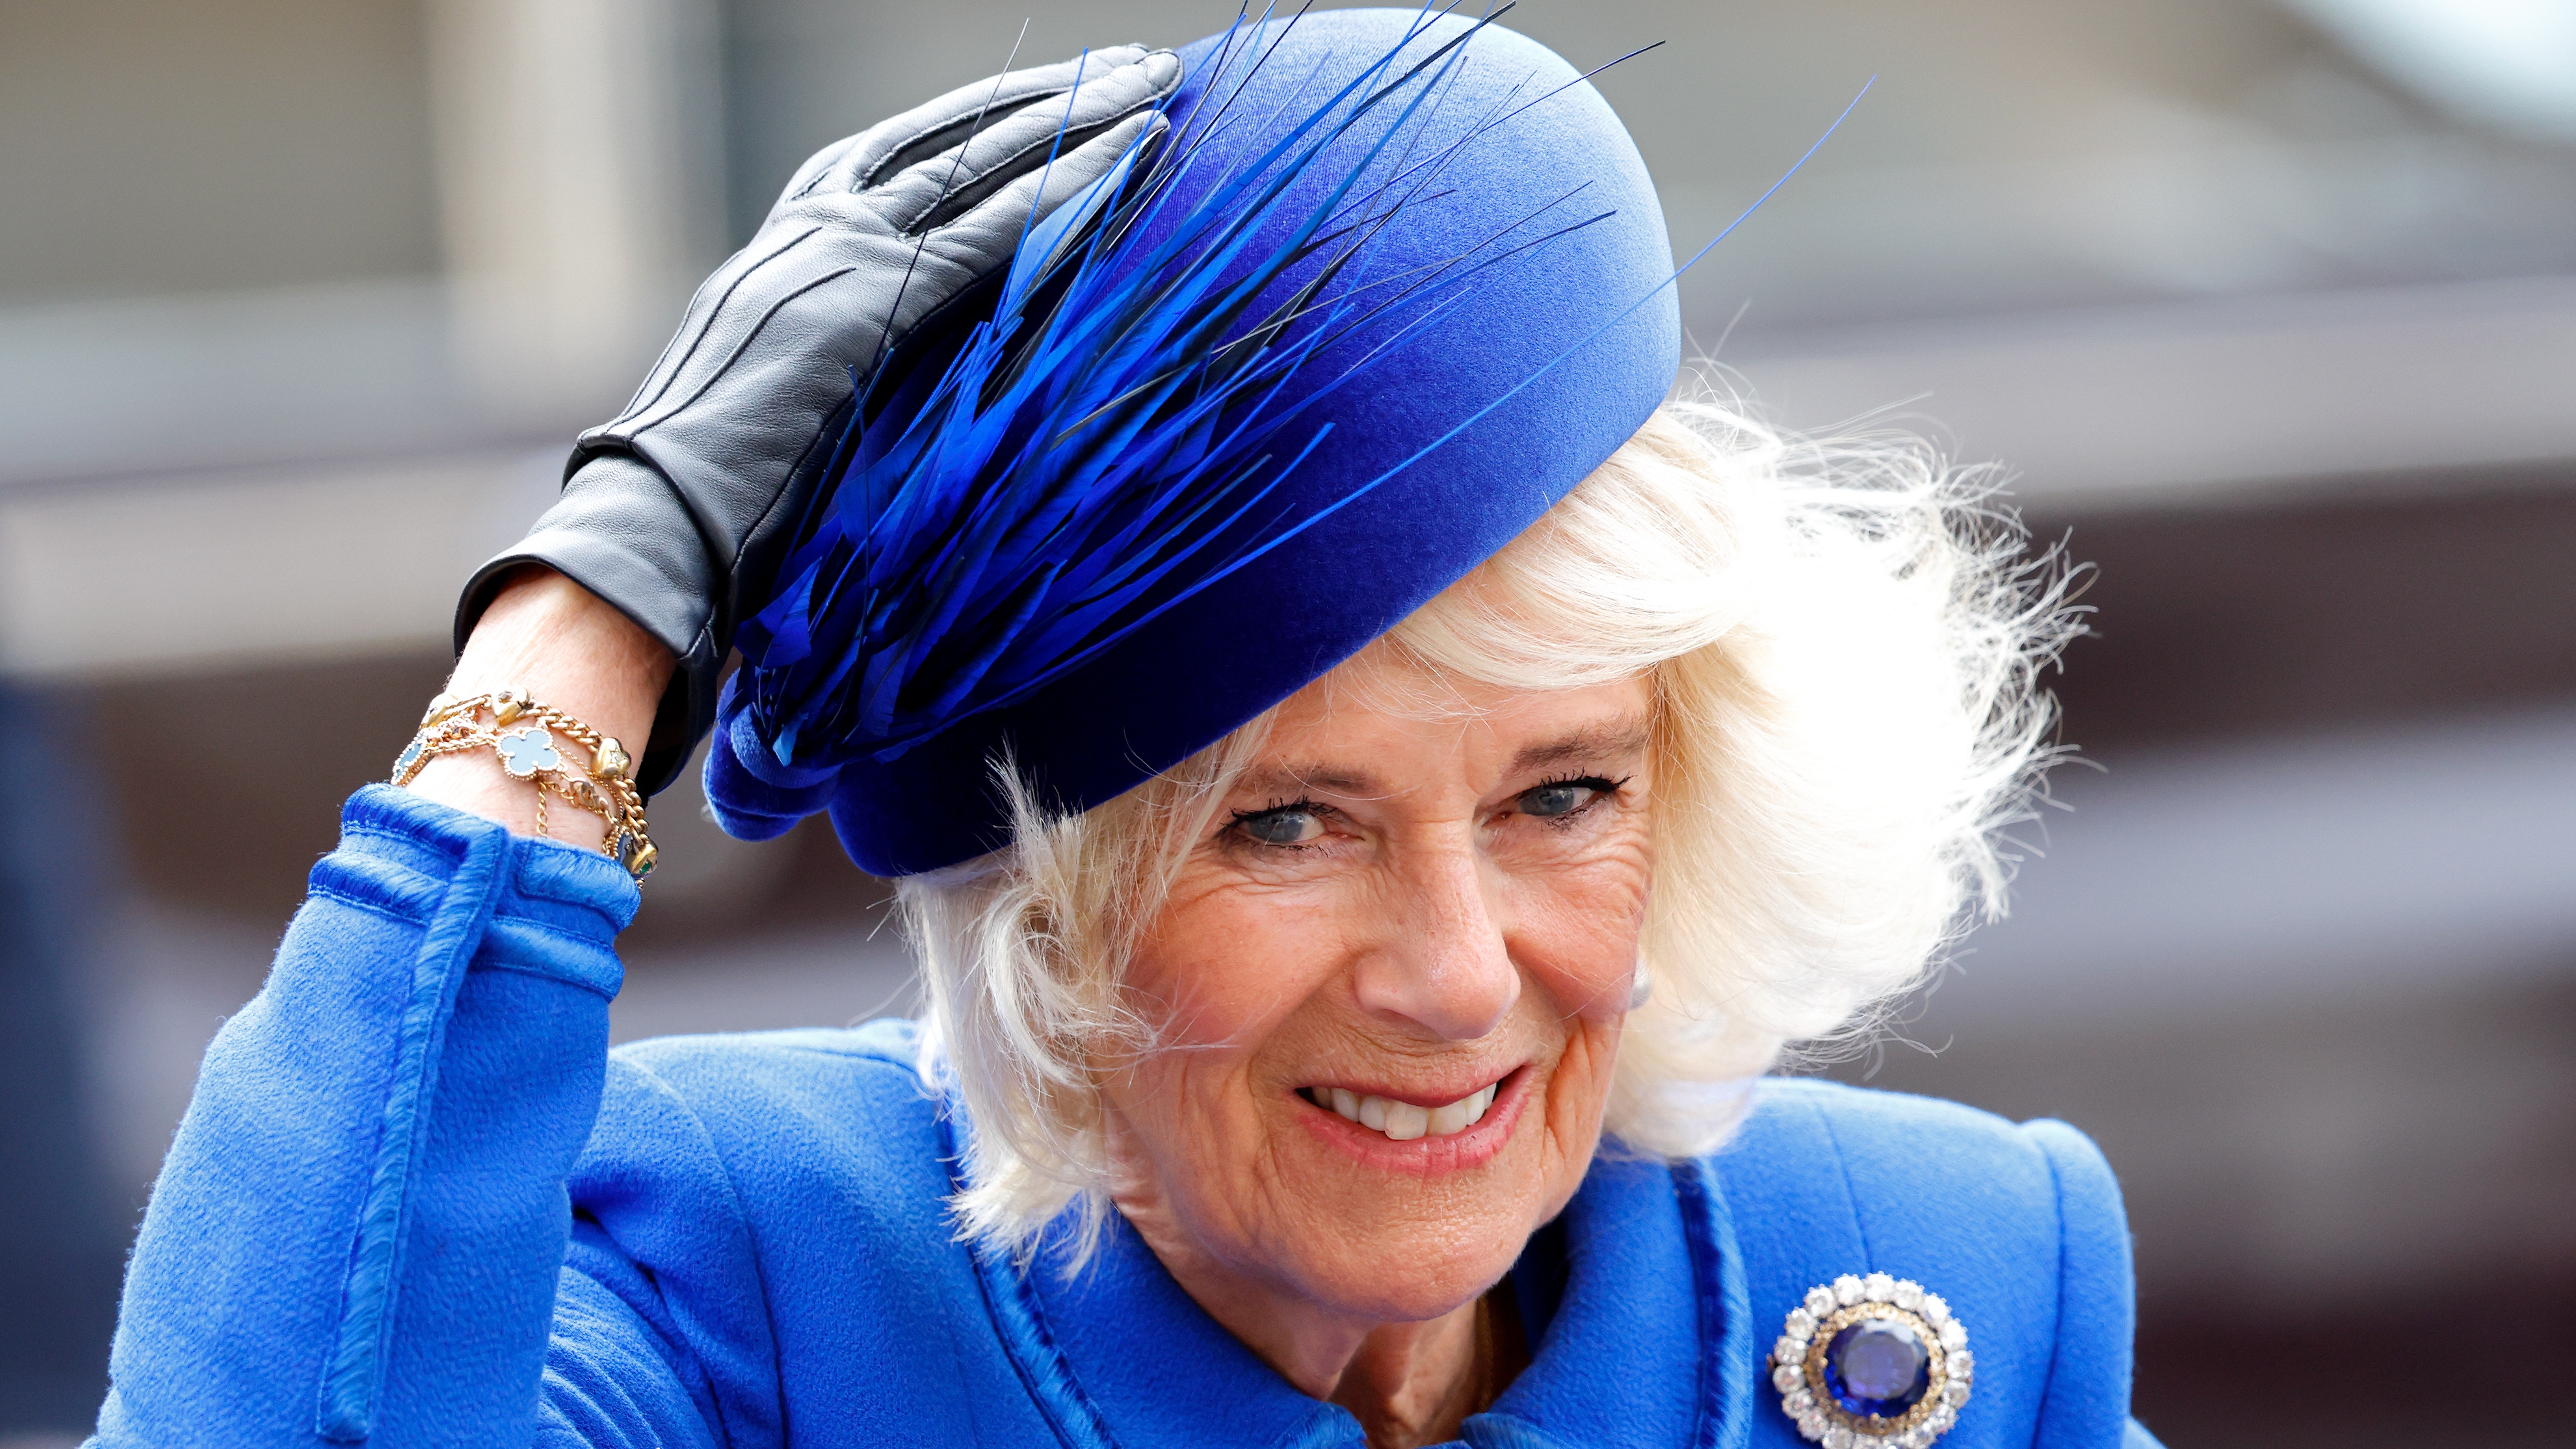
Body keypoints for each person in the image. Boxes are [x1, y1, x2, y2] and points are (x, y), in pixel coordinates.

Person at [92, 10, 2157, 1449]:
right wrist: (586, 621)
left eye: (1563, 794)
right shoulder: (746, 1293)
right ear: (1040, 909)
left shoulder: (1925, 1288)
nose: (1456, 977)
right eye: (1285, 825)